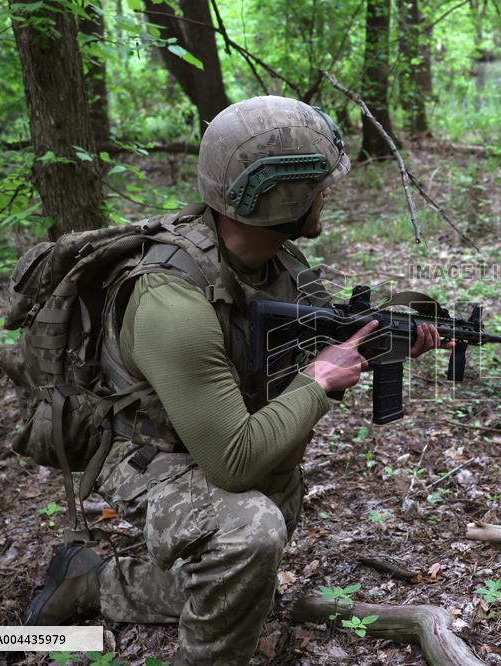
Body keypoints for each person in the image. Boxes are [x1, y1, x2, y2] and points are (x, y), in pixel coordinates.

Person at [23, 96, 449, 665]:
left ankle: (92, 583)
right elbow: (234, 462)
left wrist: (393, 332)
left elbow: (322, 332)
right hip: (142, 454)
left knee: (247, 572)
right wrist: (318, 382)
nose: (327, 196)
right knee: (249, 534)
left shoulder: (274, 263)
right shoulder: (169, 300)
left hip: (210, 431)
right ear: (284, 196)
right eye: (320, 185)